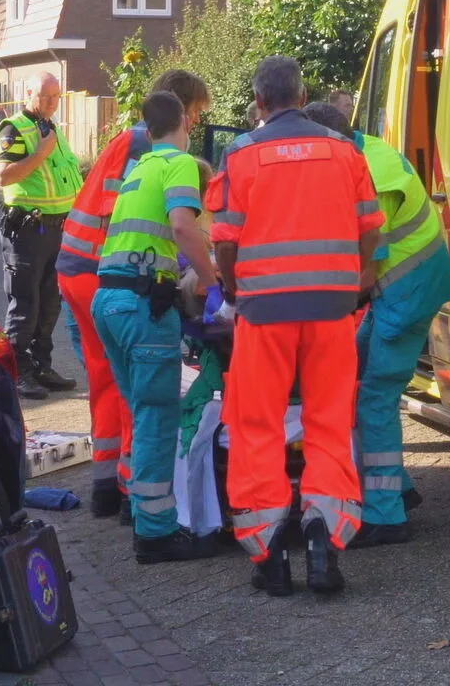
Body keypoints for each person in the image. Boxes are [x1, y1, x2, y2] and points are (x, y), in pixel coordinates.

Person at [209, 55, 383, 597]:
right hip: (332, 308)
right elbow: (371, 230)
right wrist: (351, 283)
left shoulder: (241, 154)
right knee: (329, 421)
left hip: (264, 311)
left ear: (259, 101)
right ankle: (324, 541)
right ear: (303, 95)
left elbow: (224, 241)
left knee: (257, 423)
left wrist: (234, 291)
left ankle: (269, 554)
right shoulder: (344, 150)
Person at [56, 69, 211, 519]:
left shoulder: (127, 142)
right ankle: (133, 494)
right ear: (181, 110)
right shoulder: (148, 149)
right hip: (107, 272)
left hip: (79, 268)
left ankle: (106, 485)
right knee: (138, 387)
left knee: (106, 379)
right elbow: (142, 221)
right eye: (196, 112)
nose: (197, 122)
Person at [303, 102, 450, 546]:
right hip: (405, 288)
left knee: (374, 398)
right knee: (355, 373)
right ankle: (397, 489)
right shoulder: (366, 151)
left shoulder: (370, 174)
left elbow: (366, 266)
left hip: (406, 294)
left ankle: (386, 515)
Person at [91, 91, 223, 564]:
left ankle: (144, 513)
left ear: (146, 130)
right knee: (156, 418)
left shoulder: (139, 167)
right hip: (143, 307)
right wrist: (215, 289)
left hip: (109, 301)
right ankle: (155, 533)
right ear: (186, 120)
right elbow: (183, 228)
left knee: (141, 411)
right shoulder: (179, 163)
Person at [0, 74, 85, 400]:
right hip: (28, 230)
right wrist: (41, 154)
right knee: (25, 303)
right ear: (28, 93)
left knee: (50, 303)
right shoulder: (14, 128)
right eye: (44, 96)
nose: (51, 102)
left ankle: (41, 367)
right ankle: (18, 371)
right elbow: (4, 176)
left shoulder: (52, 129)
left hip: (58, 228)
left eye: (56, 96)